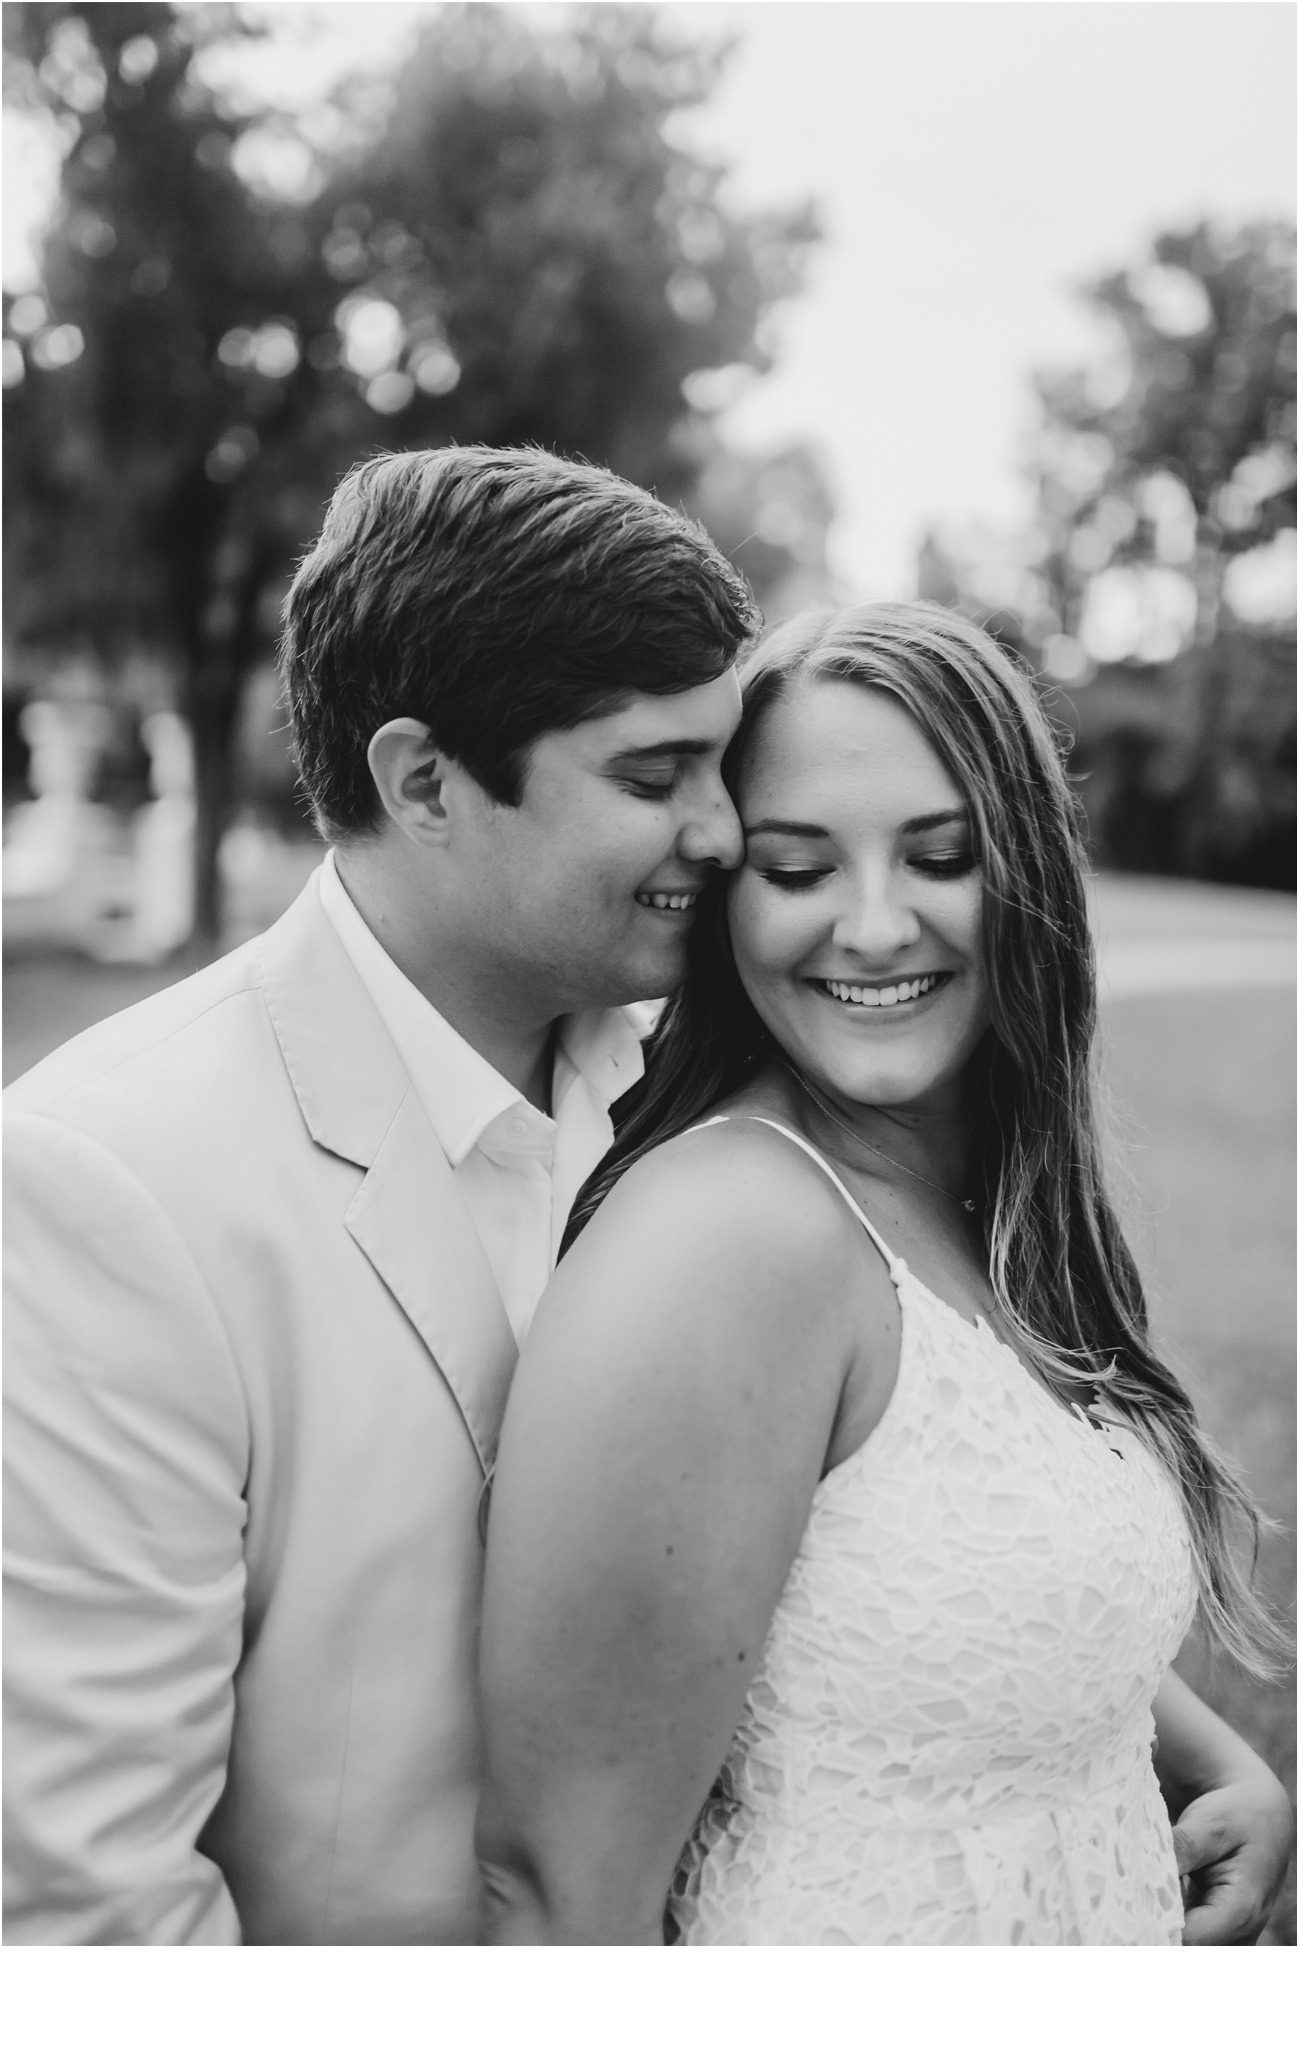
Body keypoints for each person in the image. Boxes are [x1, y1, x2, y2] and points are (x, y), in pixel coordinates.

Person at [2, 445, 756, 1943]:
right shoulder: (104, 1183)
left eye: (724, 764)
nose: (726, 832)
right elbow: (89, 1913)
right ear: (424, 782)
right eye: (655, 775)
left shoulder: (715, 1101)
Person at [475, 601, 1294, 1945]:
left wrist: (1210, 1763)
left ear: (1025, 868)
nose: (871, 927)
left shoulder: (964, 1201)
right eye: (798, 869)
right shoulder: (732, 1244)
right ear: (729, 898)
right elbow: (558, 1895)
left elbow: (922, 1588)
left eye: (941, 856)